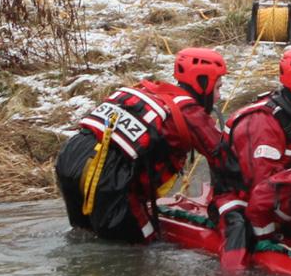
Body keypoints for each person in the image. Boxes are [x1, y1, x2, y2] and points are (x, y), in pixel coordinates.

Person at [55, 48, 228, 243]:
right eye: (218, 88)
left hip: (70, 158)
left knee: (85, 236)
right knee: (139, 245)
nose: (219, 97)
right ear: (203, 83)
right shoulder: (190, 112)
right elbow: (226, 160)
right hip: (107, 175)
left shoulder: (150, 92)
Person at [213, 48, 291, 271]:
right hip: (239, 195)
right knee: (241, 230)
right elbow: (260, 188)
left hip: (285, 192)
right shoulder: (262, 123)